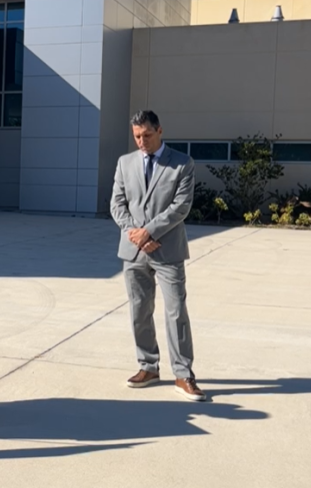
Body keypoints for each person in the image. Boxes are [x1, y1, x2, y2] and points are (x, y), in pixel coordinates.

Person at [109, 110, 205, 402]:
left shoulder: (182, 164)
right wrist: (135, 233)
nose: (141, 141)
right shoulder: (125, 163)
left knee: (176, 311)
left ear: (160, 131)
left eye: (147, 135)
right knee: (139, 310)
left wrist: (149, 232)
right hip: (134, 250)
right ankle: (148, 366)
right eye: (137, 136)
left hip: (168, 250)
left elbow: (180, 207)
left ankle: (183, 373)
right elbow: (117, 203)